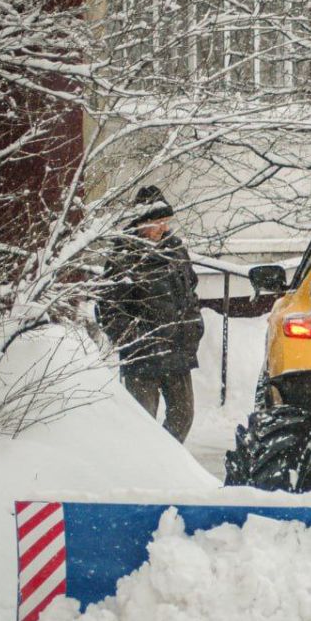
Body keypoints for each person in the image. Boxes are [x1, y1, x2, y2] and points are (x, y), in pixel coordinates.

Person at [98, 185, 204, 442]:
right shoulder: (124, 256)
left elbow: (191, 290)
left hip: (178, 350)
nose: (164, 228)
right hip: (143, 357)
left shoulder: (176, 250)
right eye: (158, 222)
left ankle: (166, 464)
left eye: (166, 222)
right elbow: (108, 309)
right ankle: (147, 472)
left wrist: (193, 325)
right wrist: (137, 339)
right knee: (142, 424)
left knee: (183, 416)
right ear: (141, 223)